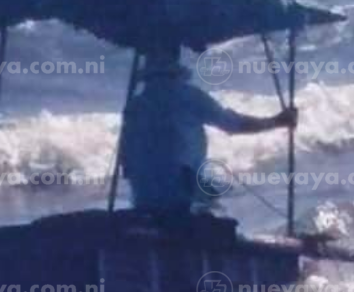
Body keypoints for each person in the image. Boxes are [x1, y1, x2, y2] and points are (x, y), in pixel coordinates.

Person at [120, 43, 296, 216]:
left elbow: (126, 165)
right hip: (180, 191)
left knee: (205, 192)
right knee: (216, 202)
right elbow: (233, 124)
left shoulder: (134, 105)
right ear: (175, 61)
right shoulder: (189, 96)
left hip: (142, 196)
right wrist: (277, 121)